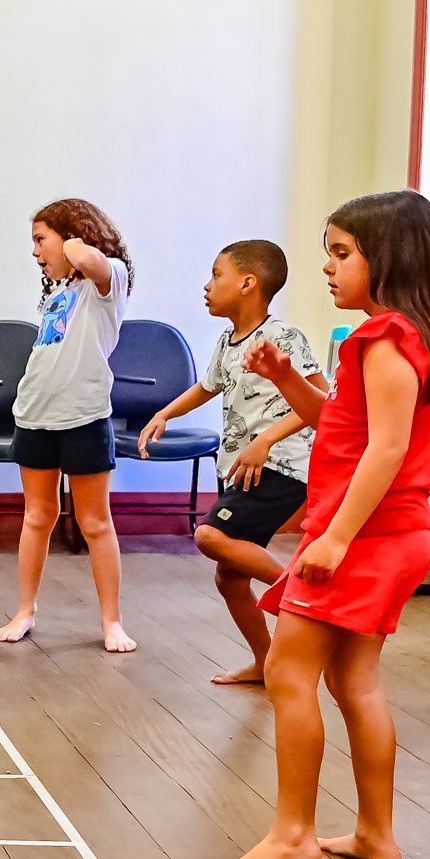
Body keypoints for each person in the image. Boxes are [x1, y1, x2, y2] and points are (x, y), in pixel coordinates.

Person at [214, 189, 430, 859]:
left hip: (367, 534)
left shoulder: (382, 336)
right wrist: (287, 379)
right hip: (396, 532)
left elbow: (384, 450)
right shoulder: (408, 334)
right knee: (354, 678)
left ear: (388, 259)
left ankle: (293, 834)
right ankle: (375, 836)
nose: (328, 267)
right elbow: (343, 427)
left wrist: (334, 539)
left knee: (289, 672)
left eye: (341, 253)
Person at [140, 241, 328, 684]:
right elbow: (207, 387)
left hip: (283, 464)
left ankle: (303, 602)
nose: (207, 286)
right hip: (241, 467)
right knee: (230, 579)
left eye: (216, 274)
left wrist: (266, 439)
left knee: (209, 535)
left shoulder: (284, 337)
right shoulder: (228, 340)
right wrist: (164, 413)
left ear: (248, 283)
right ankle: (266, 663)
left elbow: (323, 402)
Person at [0, 198, 136, 653]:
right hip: (35, 414)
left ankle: (112, 622)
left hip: (83, 417)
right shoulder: (59, 292)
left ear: (72, 235)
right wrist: (59, 247)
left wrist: (73, 240)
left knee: (95, 522)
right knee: (38, 516)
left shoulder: (107, 280)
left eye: (41, 240)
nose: (36, 252)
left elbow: (90, 259)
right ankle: (25, 611)